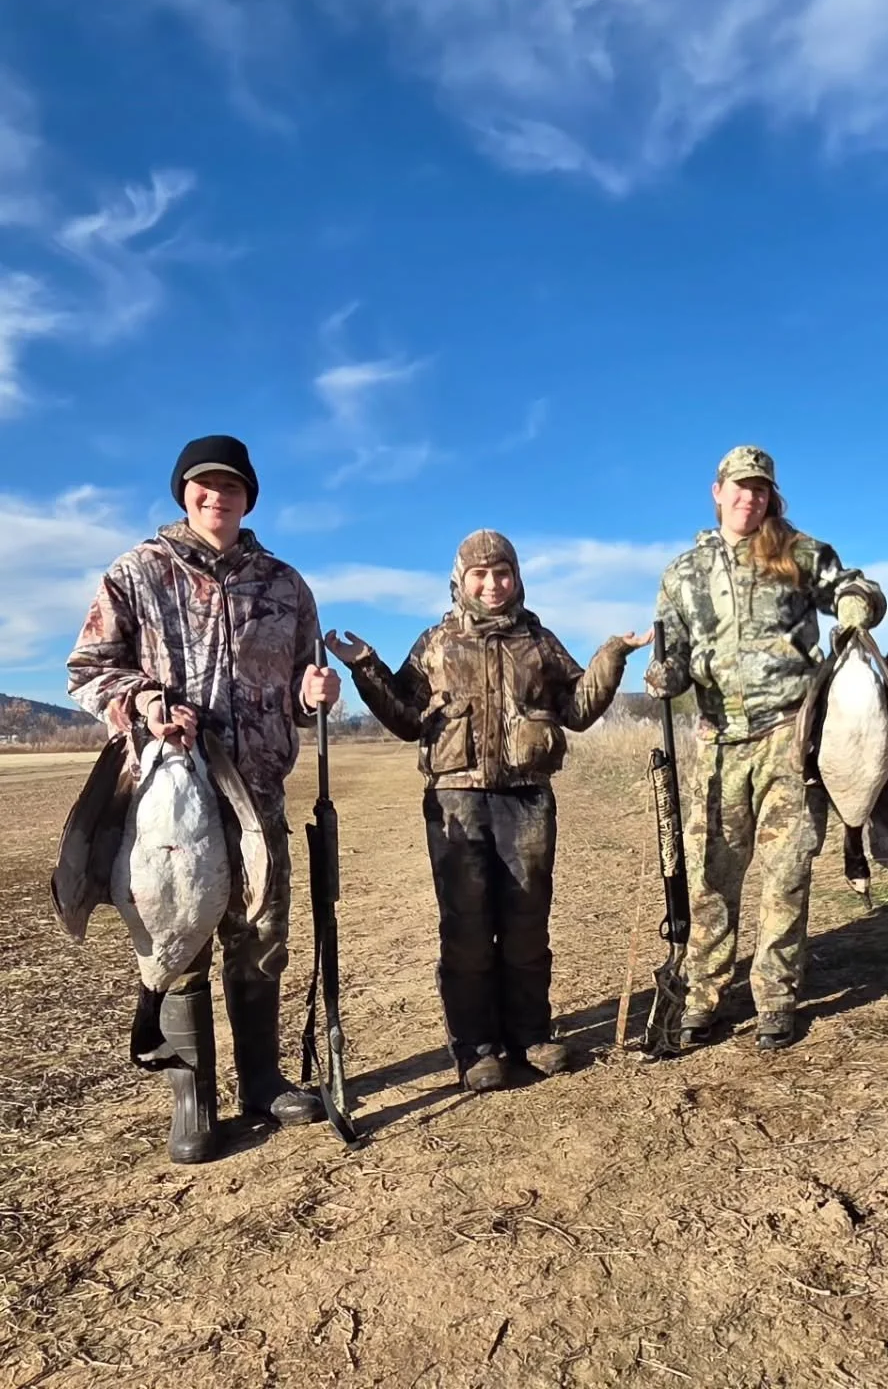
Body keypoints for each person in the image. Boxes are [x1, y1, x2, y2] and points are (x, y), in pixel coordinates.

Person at [67, 435, 341, 1162]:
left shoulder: (285, 585)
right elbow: (89, 669)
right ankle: (193, 1099)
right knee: (176, 940)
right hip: (168, 798)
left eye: (230, 486)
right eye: (202, 486)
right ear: (183, 495)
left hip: (256, 793)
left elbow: (303, 691)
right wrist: (147, 702)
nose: (216, 496)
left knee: (260, 937)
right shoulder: (137, 572)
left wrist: (316, 697)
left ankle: (262, 1082)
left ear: (250, 495)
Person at [325, 530, 648, 1093]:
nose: (493, 584)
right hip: (457, 798)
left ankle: (530, 1034)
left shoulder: (538, 641)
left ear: (516, 578)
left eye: (502, 573)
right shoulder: (435, 642)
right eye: (481, 574)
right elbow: (404, 718)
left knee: (526, 923)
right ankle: (476, 1047)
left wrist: (611, 656)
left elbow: (576, 710)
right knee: (467, 928)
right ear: (461, 580)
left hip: (527, 798)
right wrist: (366, 667)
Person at [646, 447, 886, 1052]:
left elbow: (858, 586)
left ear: (770, 496)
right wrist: (664, 676)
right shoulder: (682, 573)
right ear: (717, 491)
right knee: (709, 877)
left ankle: (776, 997)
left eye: (760, 489)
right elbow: (668, 650)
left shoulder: (798, 552)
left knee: (787, 874)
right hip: (718, 743)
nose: (749, 498)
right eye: (739, 487)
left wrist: (854, 616)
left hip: (788, 736)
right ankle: (703, 996)